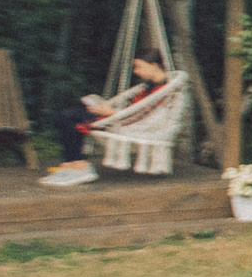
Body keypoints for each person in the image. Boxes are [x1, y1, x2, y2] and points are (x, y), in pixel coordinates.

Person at [38, 48, 169, 187]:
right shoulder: (148, 86)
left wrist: (111, 112)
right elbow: (135, 108)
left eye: (139, 67)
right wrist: (104, 109)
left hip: (130, 124)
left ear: (154, 66)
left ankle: (80, 166)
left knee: (71, 117)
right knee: (69, 115)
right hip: (121, 117)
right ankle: (71, 164)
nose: (136, 71)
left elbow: (143, 114)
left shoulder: (163, 89)